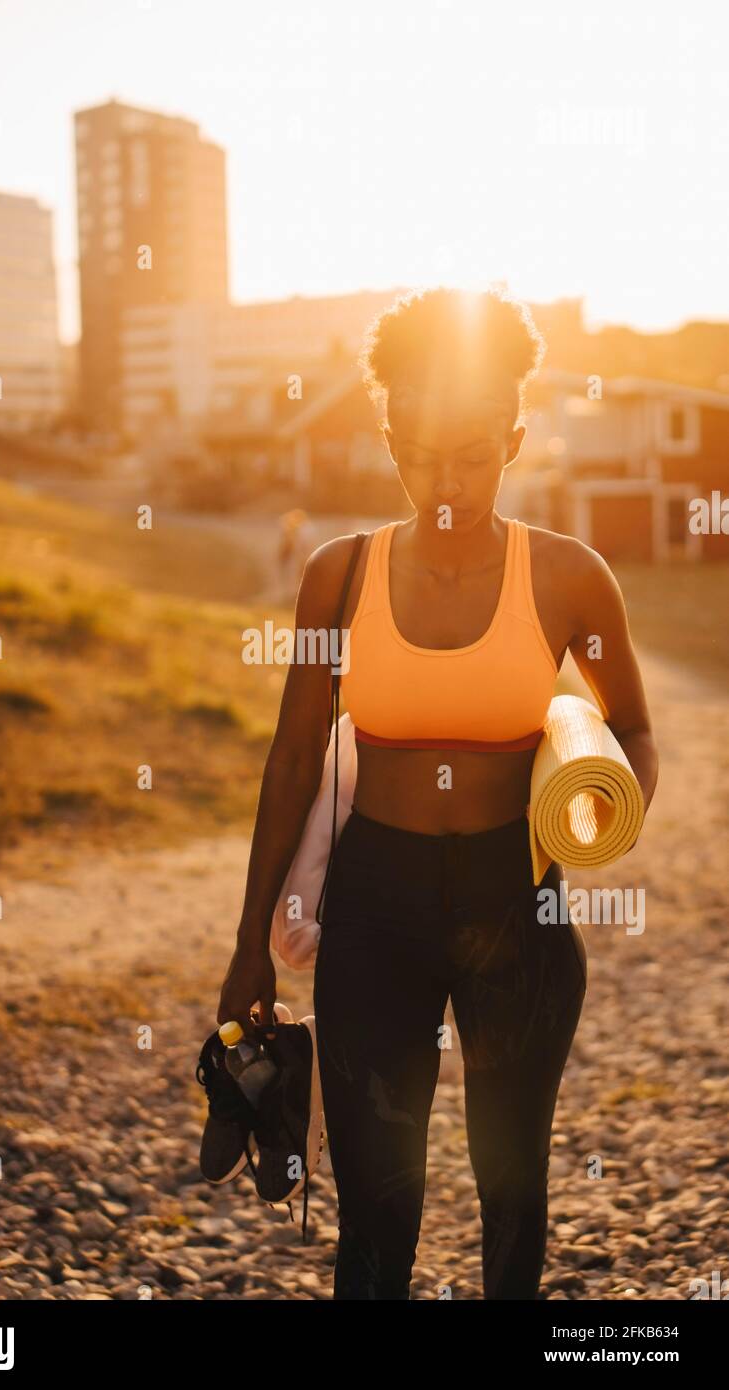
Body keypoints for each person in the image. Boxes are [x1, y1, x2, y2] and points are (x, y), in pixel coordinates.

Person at [217, 285, 658, 1300]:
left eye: (471, 455)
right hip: (374, 905)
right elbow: (292, 758)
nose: (446, 482)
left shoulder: (570, 578)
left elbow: (632, 727)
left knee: (512, 1190)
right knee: (376, 1209)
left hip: (519, 903)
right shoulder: (336, 576)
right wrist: (247, 946)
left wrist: (611, 801)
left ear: (514, 441)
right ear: (387, 442)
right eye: (418, 455)